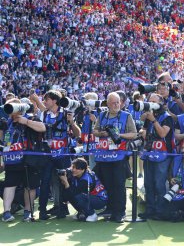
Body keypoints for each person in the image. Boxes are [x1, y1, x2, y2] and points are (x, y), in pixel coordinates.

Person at [93, 92, 137, 223]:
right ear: (108, 103)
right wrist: (103, 133)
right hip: (104, 156)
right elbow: (94, 131)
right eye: (113, 103)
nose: (116, 105)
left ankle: (120, 212)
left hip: (119, 156)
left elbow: (134, 134)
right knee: (107, 184)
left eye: (118, 102)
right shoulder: (102, 115)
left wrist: (118, 135)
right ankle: (110, 208)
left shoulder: (126, 116)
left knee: (119, 184)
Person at [1, 98, 46, 222]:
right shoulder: (8, 122)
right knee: (9, 185)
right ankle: (6, 212)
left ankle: (27, 211)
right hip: (11, 160)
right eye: (9, 109)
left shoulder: (31, 117)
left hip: (29, 160)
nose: (11, 112)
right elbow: (4, 141)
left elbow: (42, 128)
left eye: (13, 108)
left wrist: (26, 121)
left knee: (30, 186)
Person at [39, 90, 81, 220]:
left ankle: (63, 209)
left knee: (64, 181)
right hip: (47, 154)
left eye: (47, 99)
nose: (44, 102)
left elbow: (77, 134)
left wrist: (72, 122)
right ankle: (42, 211)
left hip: (63, 154)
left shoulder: (66, 113)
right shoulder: (43, 114)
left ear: (54, 101)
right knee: (45, 182)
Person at [138, 93, 175, 219]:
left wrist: (153, 120)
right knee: (148, 183)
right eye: (150, 101)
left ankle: (160, 211)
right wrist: (143, 132)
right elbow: (143, 129)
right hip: (149, 153)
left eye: (155, 101)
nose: (152, 104)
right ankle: (150, 209)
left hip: (163, 155)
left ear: (161, 103)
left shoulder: (167, 117)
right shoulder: (149, 117)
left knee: (159, 184)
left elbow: (163, 133)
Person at [59, 158, 108, 222]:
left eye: (77, 168)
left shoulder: (86, 179)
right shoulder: (77, 174)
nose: (73, 170)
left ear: (83, 170)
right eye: (73, 167)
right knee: (72, 196)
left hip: (100, 200)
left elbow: (73, 193)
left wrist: (65, 181)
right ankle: (82, 212)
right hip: (92, 197)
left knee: (78, 196)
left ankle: (92, 215)